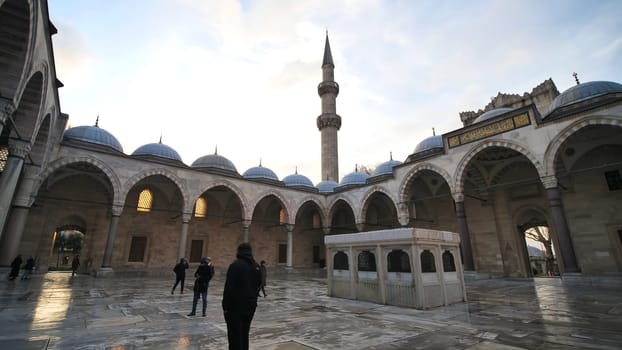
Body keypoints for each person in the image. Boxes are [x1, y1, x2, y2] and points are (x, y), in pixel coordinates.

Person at [222, 243, 261, 350]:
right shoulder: (257, 266)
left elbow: (229, 288)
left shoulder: (235, 266)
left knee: (235, 336)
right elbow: (259, 285)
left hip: (236, 307)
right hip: (250, 306)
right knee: (244, 334)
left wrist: (225, 307)